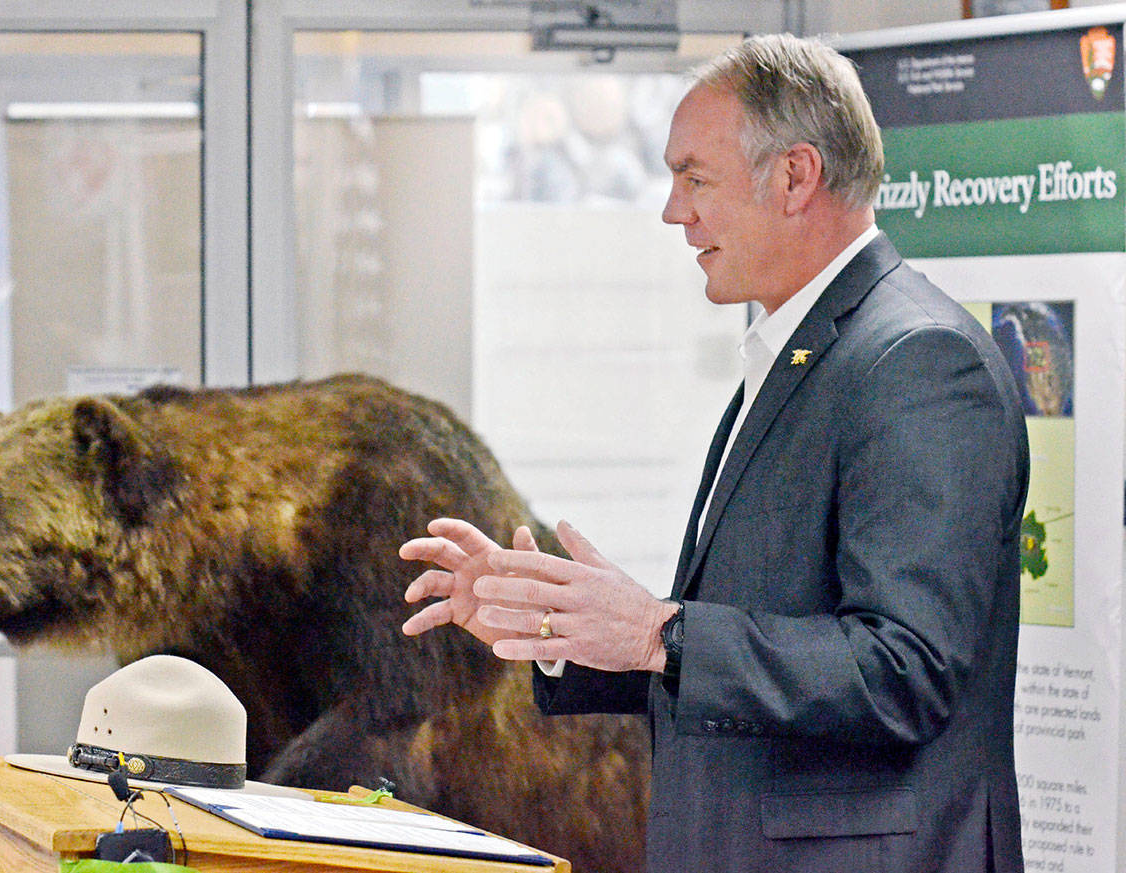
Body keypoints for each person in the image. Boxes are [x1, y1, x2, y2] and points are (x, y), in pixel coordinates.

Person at [400, 32, 1028, 873]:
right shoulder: (804, 348)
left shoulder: (917, 360)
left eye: (695, 178)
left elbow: (901, 670)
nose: (673, 211)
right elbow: (758, 643)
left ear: (796, 176)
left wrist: (664, 632)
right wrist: (563, 625)